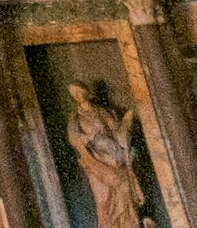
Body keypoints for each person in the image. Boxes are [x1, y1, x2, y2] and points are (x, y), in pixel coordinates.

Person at [62, 84, 147, 228]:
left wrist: (126, 121)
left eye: (79, 91)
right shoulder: (75, 119)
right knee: (104, 199)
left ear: (86, 92)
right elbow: (75, 140)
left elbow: (118, 134)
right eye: (74, 93)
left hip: (113, 158)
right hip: (95, 163)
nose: (77, 95)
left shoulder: (103, 112)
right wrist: (88, 137)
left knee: (124, 189)